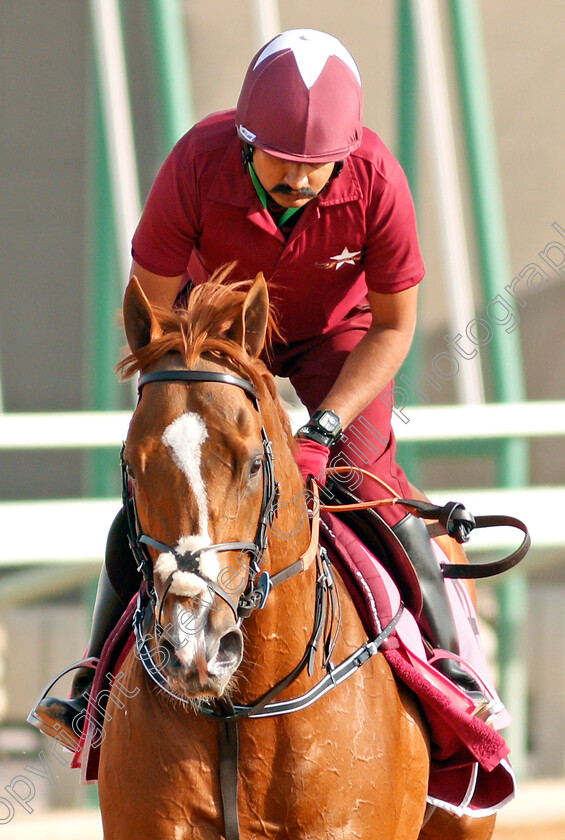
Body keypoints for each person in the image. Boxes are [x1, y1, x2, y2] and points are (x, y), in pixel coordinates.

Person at [33, 29, 488, 746]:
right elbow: (151, 316)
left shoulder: (378, 178)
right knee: (160, 489)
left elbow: (394, 327)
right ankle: (94, 681)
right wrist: (177, 425)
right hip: (210, 334)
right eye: (287, 162)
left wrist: (325, 427)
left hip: (335, 339)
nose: (303, 181)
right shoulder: (193, 162)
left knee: (369, 480)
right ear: (246, 140)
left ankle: (450, 668)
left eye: (321, 167)